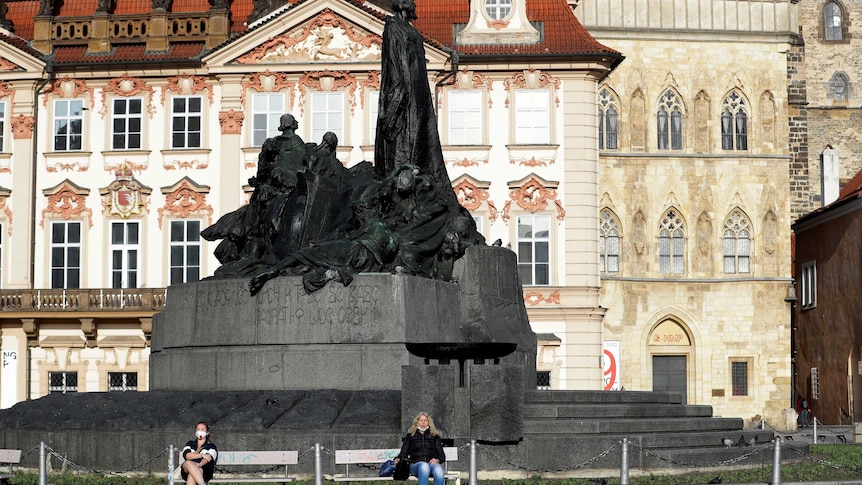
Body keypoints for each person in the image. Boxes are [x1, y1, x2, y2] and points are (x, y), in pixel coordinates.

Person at [394, 412, 446, 485]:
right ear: (417, 422)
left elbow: (442, 456)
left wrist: (437, 460)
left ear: (429, 423)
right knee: (424, 466)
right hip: (416, 465)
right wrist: (398, 458)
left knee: (439, 471)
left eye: (425, 420)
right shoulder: (410, 436)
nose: (423, 422)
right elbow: (404, 452)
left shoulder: (435, 437)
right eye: (421, 420)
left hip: (431, 464)